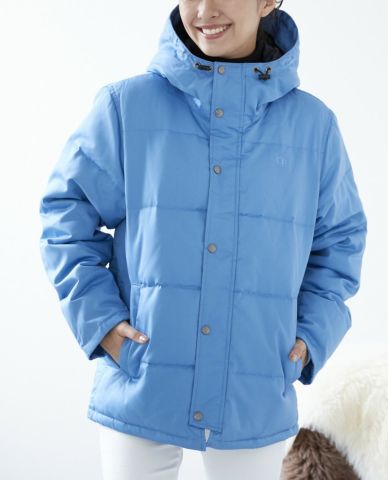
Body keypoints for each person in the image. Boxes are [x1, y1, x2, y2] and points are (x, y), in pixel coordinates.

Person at [38, 1, 368, 479]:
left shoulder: (313, 128)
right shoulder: (127, 107)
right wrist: (102, 323)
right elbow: (65, 215)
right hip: (141, 376)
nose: (205, 9)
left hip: (255, 384)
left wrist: (310, 338)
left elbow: (341, 242)